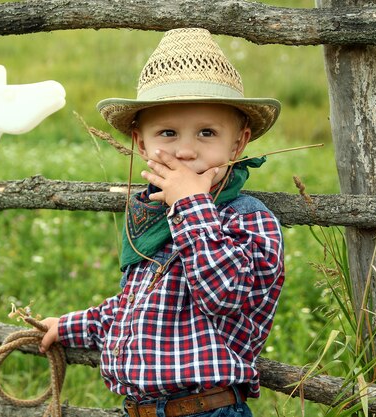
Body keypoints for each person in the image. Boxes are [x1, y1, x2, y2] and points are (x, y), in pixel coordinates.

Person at [40, 28, 285, 417]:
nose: (185, 150)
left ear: (237, 144)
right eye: (167, 133)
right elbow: (133, 309)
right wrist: (71, 326)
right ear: (141, 144)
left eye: (207, 133)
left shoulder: (247, 219)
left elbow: (222, 295)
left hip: (207, 409)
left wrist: (191, 203)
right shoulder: (152, 220)